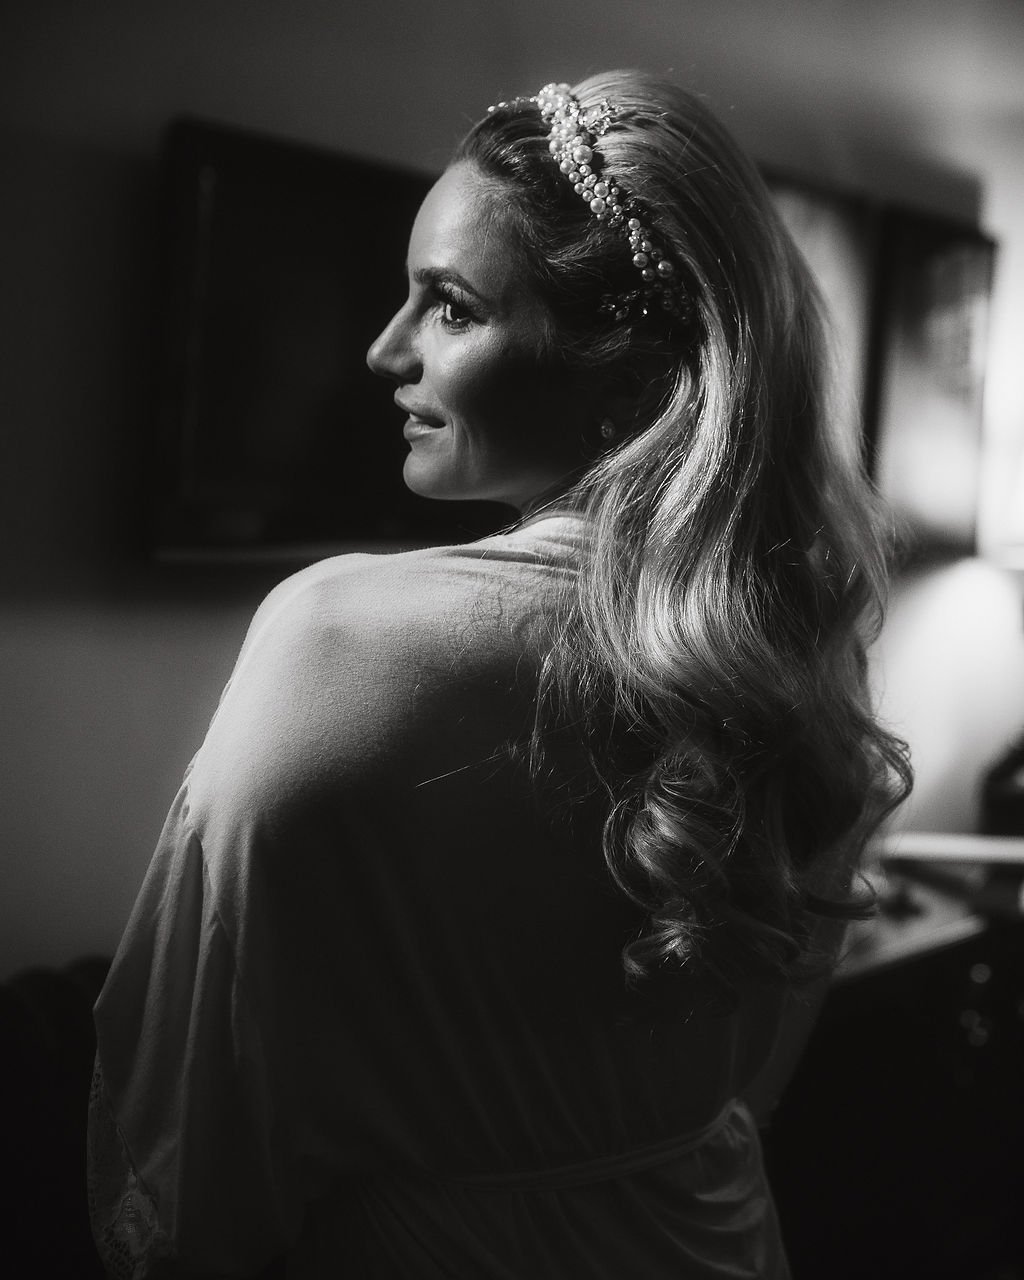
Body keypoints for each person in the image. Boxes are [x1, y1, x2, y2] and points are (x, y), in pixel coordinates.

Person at [88, 71, 911, 1278]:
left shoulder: (336, 635)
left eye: (451, 308)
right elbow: (751, 1080)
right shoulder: (798, 647)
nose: (386, 350)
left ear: (629, 374)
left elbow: (192, 1122)